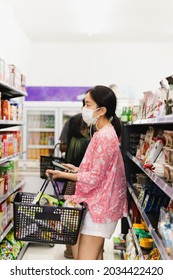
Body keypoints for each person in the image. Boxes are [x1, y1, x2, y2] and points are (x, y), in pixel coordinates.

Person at [46, 85, 128, 260]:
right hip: (98, 204)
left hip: (100, 208)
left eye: (88, 104)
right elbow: (101, 170)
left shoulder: (105, 136)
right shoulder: (102, 133)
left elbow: (94, 178)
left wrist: (63, 175)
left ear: (102, 110)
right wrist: (77, 169)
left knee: (84, 263)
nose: (84, 108)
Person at [58, 113, 90, 258]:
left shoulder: (71, 121)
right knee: (85, 213)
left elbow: (62, 147)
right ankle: (87, 247)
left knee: (70, 209)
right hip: (86, 179)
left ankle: (70, 248)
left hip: (70, 176)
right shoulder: (93, 136)